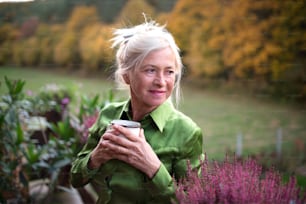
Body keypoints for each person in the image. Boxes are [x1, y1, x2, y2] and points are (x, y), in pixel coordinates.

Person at [70, 18, 204, 204]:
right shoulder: (108, 115)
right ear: (126, 75)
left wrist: (152, 167)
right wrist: (96, 157)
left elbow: (191, 200)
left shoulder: (187, 132)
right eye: (150, 70)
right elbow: (76, 179)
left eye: (169, 72)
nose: (161, 81)